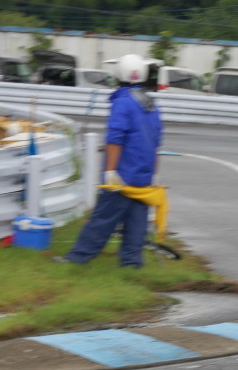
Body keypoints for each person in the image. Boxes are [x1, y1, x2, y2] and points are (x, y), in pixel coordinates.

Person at [61, 54, 163, 268]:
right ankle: (131, 264)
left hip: (122, 176)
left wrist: (110, 171)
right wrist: (153, 174)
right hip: (143, 176)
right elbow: (156, 143)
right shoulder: (152, 105)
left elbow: (115, 139)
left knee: (103, 219)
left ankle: (78, 258)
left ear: (119, 75)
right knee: (137, 223)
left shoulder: (122, 102)